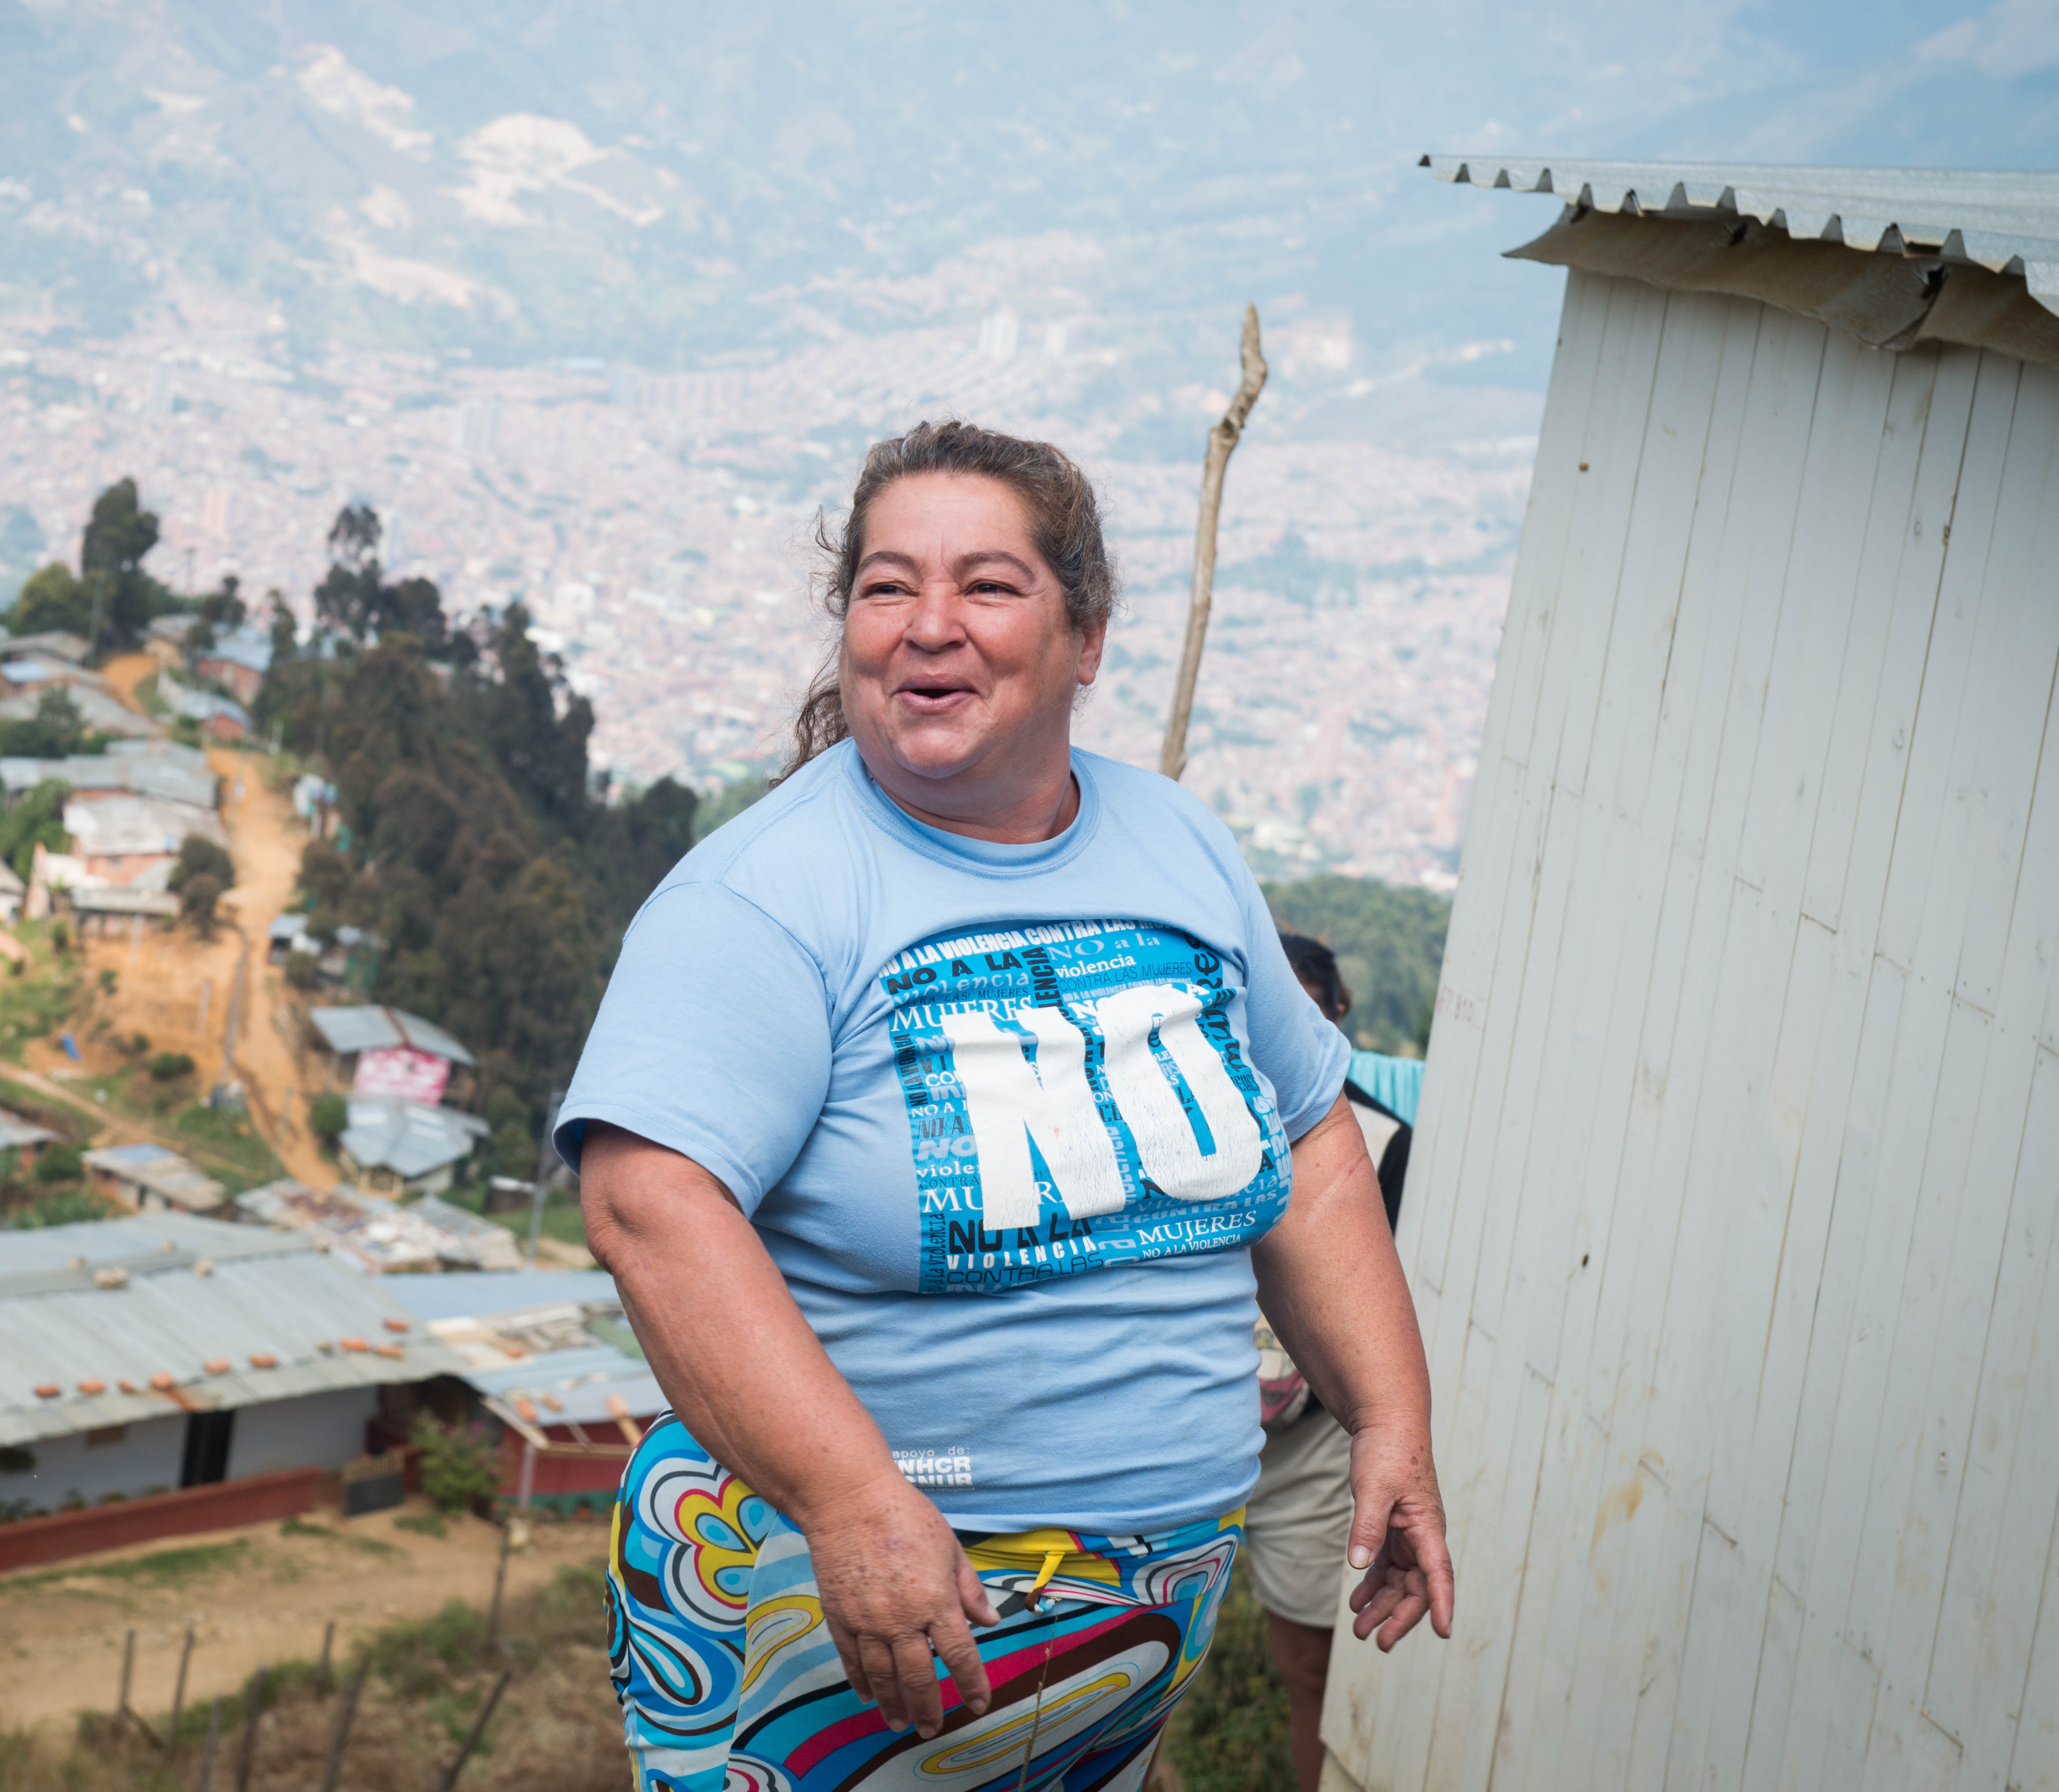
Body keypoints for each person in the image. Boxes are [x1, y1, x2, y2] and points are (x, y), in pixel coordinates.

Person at [567, 422, 1453, 1792]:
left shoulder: (1178, 843)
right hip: (865, 1584)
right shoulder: (768, 893)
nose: (929, 625)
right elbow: (647, 1200)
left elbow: (1308, 1138)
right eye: (884, 584)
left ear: (1085, 636)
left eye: (986, 584)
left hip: (1140, 1600)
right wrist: (856, 1502)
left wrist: (1389, 1413)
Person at [1249, 930, 1423, 1792]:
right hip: (1191, 1418)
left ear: (1336, 1018)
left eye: (1302, 1020)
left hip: (1310, 1439)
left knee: (1308, 1664)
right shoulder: (1189, 1119)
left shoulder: (1383, 1145)